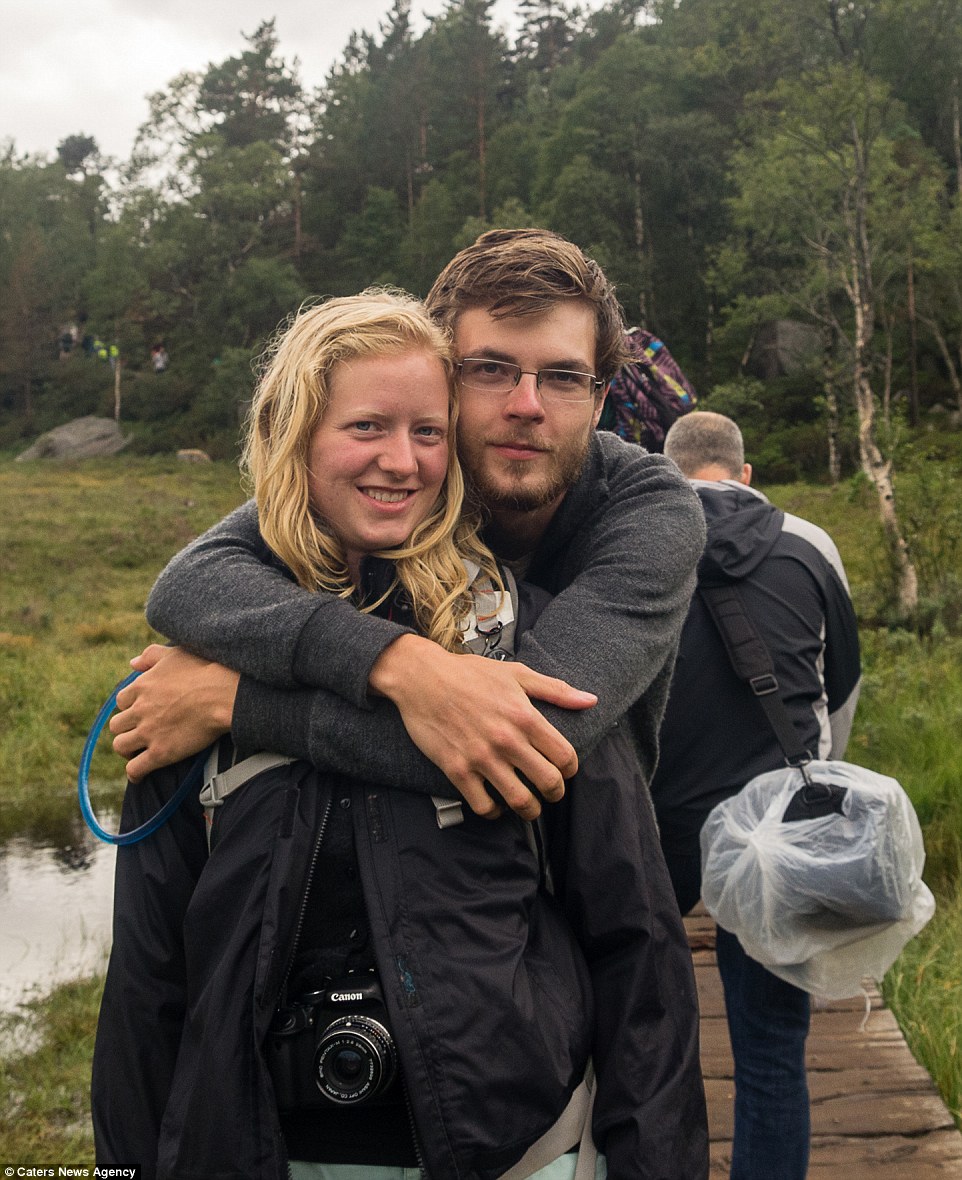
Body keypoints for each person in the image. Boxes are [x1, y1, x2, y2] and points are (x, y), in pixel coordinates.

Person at [92, 289, 709, 1180]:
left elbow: (639, 957)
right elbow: (148, 985)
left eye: (426, 432)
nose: (402, 461)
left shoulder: (528, 658)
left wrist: (252, 710)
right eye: (365, 428)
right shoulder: (197, 679)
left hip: (519, 1154)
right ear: (294, 436)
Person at [652, 411, 862, 1180]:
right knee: (772, 1053)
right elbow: (842, 686)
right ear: (745, 475)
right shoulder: (811, 543)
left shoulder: (639, 541)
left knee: (631, 1030)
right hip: (777, 820)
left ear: (666, 473)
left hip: (654, 818)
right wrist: (819, 774)